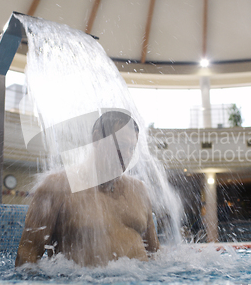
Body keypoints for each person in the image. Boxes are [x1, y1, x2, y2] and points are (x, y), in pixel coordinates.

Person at [15, 111, 160, 267]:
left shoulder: (139, 190)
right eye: (122, 145)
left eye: (132, 148)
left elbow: (155, 254)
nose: (127, 154)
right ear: (97, 138)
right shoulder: (57, 187)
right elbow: (27, 257)